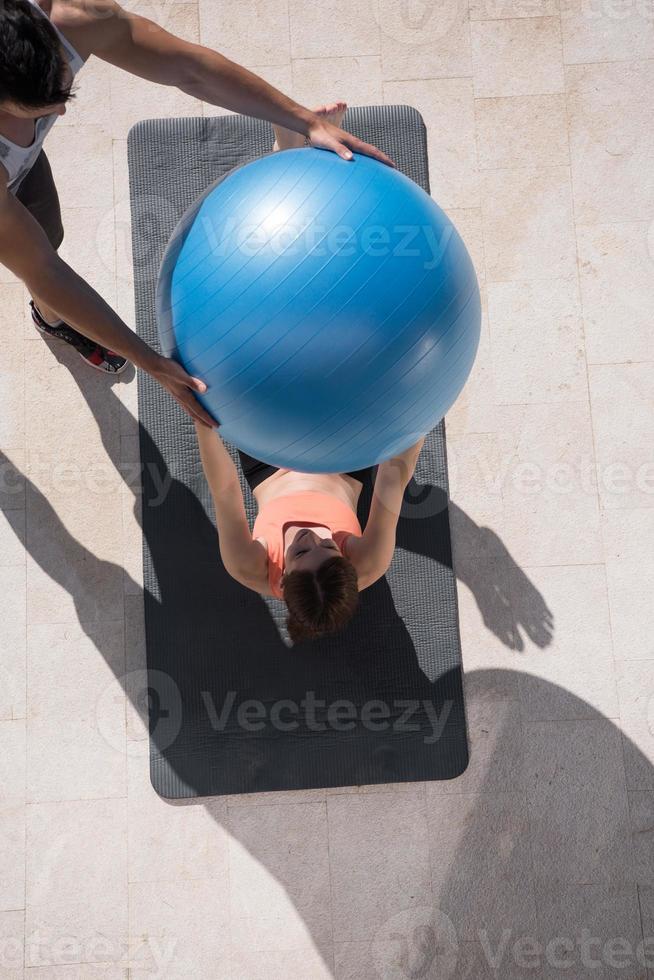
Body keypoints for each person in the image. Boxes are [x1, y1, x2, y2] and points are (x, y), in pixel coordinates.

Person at [0, 0, 395, 425]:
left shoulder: (74, 17)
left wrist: (305, 121)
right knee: (34, 256)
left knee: (47, 237)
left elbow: (191, 69)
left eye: (62, 87)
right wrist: (150, 360)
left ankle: (49, 316)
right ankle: (57, 318)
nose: (61, 111)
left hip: (18, 164)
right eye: (40, 106)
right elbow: (42, 269)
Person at [192, 97, 426, 642]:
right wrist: (418, 404)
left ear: (282, 575)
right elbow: (394, 474)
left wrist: (203, 419)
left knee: (277, 327)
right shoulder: (368, 564)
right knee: (336, 327)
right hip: (347, 454)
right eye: (329, 547)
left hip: (268, 453)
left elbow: (225, 491)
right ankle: (306, 162)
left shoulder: (249, 569)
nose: (316, 536)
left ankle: (286, 151)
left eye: (301, 549)